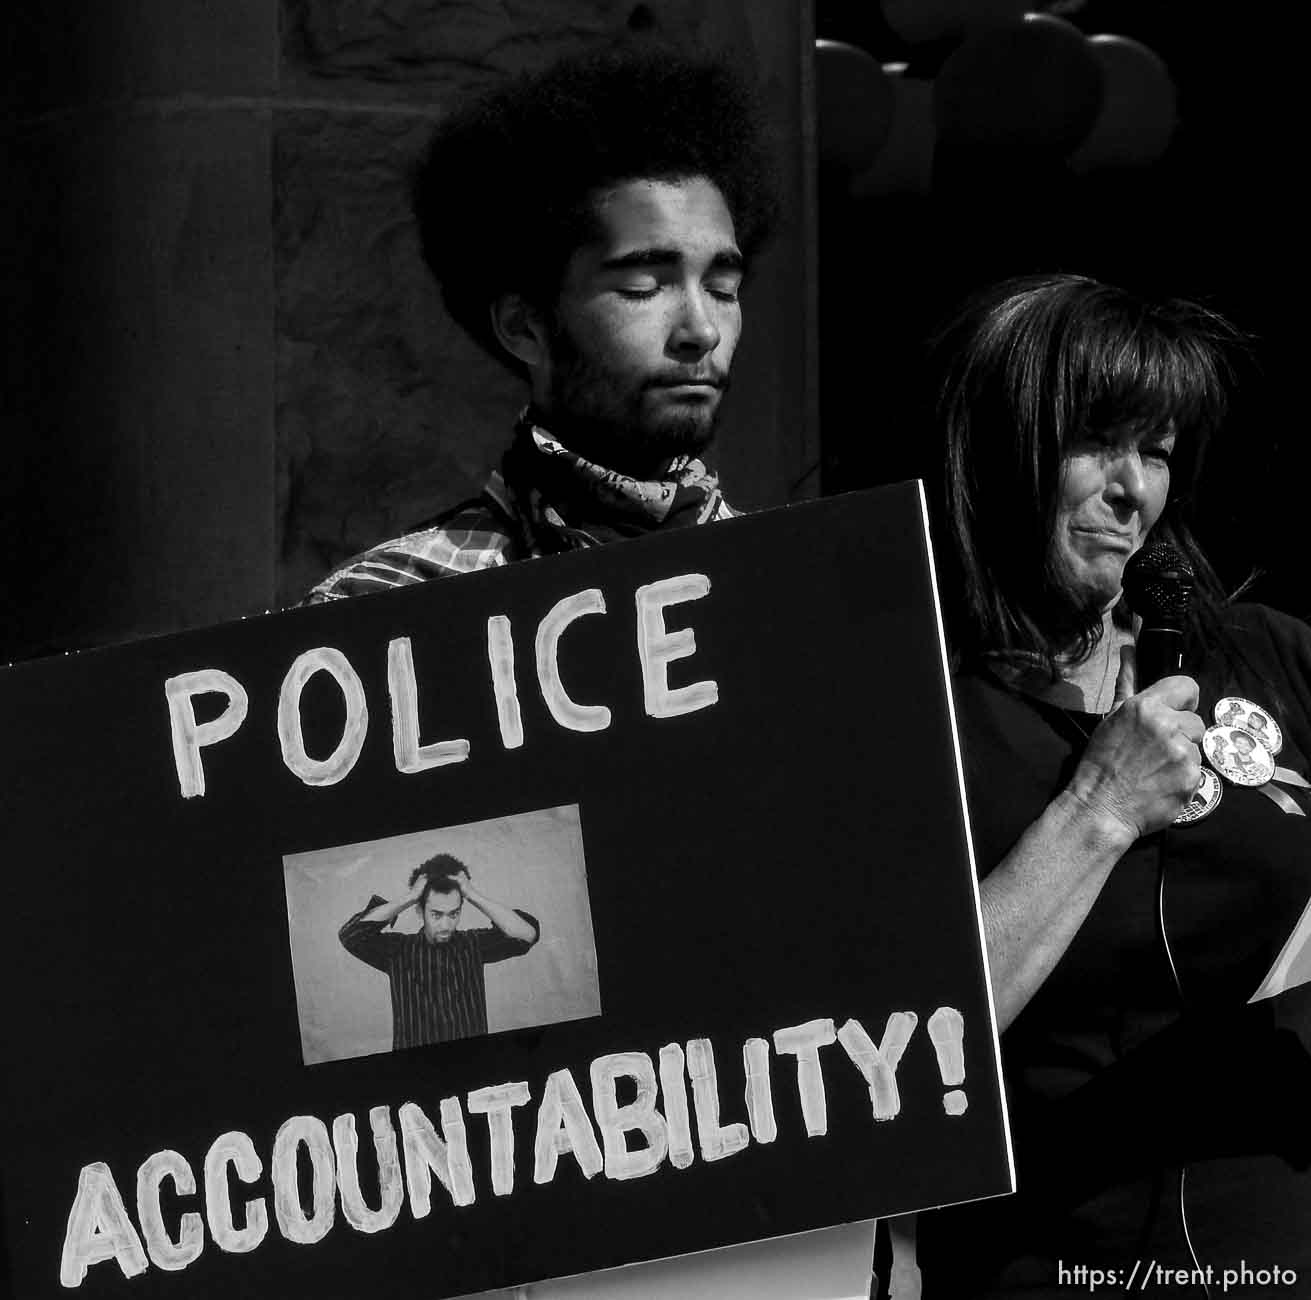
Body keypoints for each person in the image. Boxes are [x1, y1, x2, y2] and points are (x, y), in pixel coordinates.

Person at [913, 274, 1311, 1297]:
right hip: (1030, 1264)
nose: (1132, 489)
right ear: (1002, 447)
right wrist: (1100, 806)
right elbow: (892, 1050)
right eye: (1098, 441)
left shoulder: (1269, 658)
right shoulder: (911, 705)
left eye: (1160, 453)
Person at [304, 43, 777, 603]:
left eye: (723, 289)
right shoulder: (385, 606)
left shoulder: (793, 584)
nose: (702, 330)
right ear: (524, 327)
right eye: (643, 288)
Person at [339, 853, 539, 1049]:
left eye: (454, 913)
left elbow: (527, 934)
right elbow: (351, 936)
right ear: (420, 910)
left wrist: (472, 894)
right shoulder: (397, 950)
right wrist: (410, 897)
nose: (446, 925)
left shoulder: (474, 944)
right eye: (436, 914)